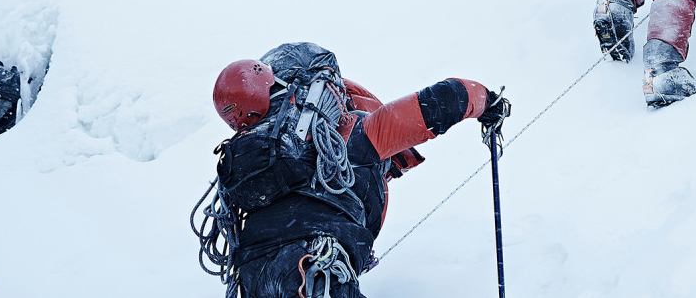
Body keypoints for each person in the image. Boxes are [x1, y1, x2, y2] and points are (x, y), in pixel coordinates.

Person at [203, 42, 510, 298]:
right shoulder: (345, 137)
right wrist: (487, 101)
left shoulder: (255, 159)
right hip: (315, 264)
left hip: (253, 274)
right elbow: (438, 103)